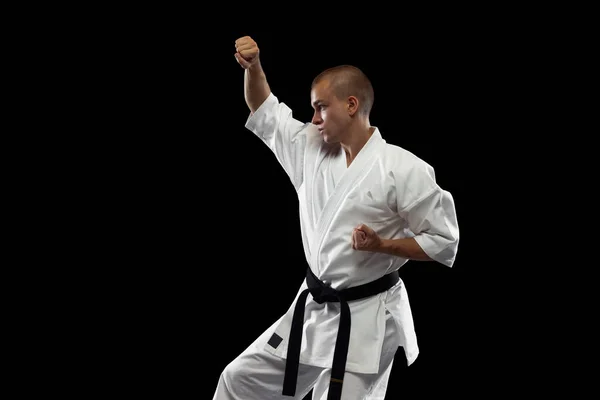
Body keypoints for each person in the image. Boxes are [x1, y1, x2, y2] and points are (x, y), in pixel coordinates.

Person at [213, 35, 460, 400]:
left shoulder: (403, 169)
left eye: (320, 108)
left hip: (367, 319)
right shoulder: (310, 148)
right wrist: (254, 68)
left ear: (350, 104)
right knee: (239, 381)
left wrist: (383, 245)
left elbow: (444, 241)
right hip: (315, 307)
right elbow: (264, 108)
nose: (312, 119)